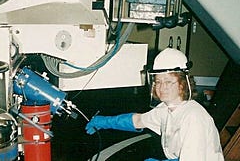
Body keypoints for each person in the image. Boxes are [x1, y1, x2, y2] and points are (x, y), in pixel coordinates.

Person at [85, 48, 224, 161]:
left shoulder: (193, 117)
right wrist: (104, 122)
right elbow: (138, 121)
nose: (162, 87)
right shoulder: (167, 109)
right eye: (158, 82)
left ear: (182, 84)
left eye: (168, 81)